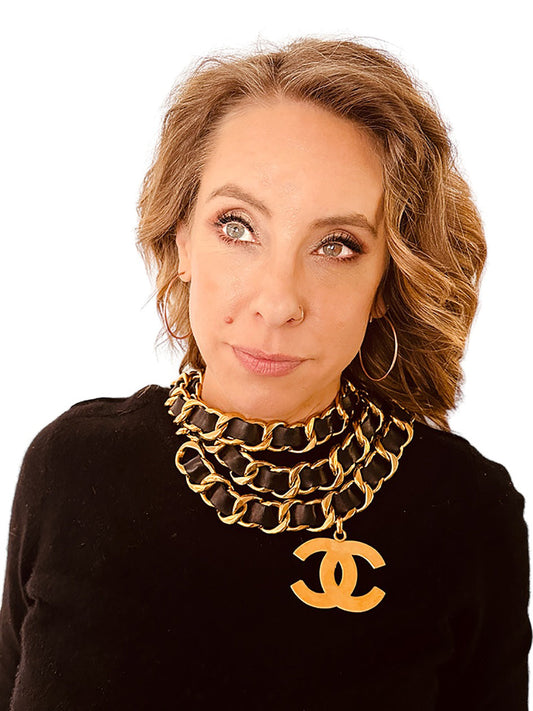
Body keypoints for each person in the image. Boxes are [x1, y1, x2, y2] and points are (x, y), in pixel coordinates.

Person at [0, 35, 530, 710]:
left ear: (386, 280)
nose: (278, 302)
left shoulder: (466, 513)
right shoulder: (72, 467)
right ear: (181, 239)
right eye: (237, 226)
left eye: (336, 245)